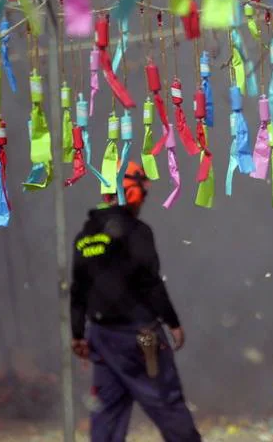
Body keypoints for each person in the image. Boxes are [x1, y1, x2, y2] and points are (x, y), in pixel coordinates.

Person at [70, 159, 202, 442]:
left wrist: (78, 333)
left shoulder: (84, 237)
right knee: (166, 403)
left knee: (107, 413)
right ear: (131, 191)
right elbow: (150, 283)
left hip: (102, 338)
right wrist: (173, 322)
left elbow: (78, 289)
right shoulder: (137, 232)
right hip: (140, 339)